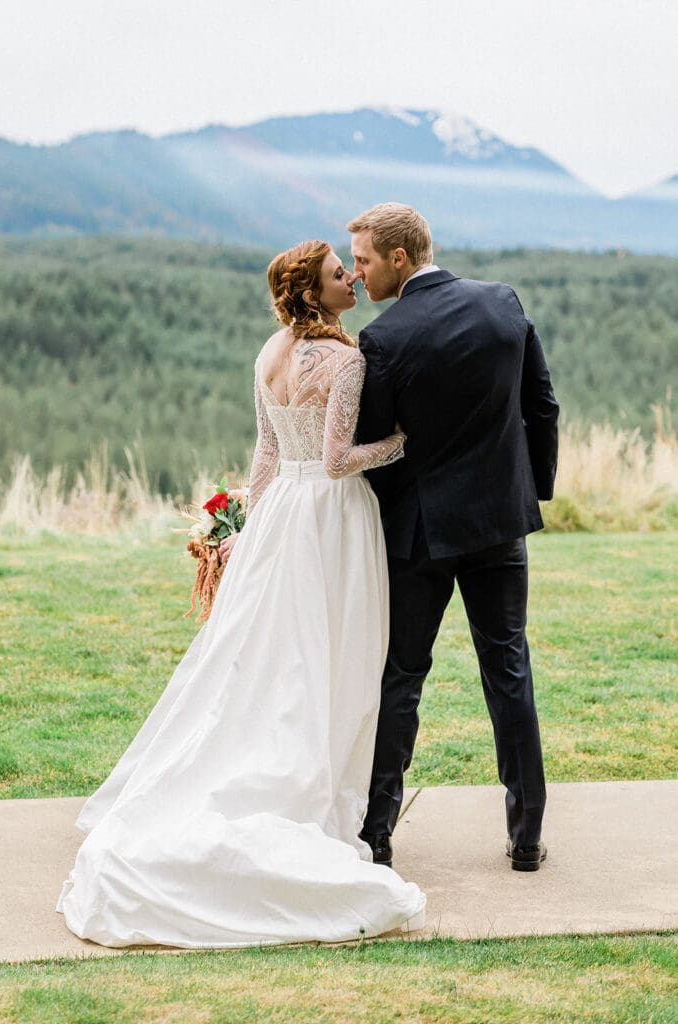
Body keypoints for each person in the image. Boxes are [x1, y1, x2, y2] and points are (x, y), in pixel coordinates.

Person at [56, 240, 426, 948]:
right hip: (331, 516)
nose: (351, 278)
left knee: (266, 646)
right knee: (334, 649)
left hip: (281, 512)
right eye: (336, 274)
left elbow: (264, 455)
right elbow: (338, 460)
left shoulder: (268, 352)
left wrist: (248, 533)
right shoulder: (345, 361)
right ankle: (312, 780)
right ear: (314, 294)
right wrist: (402, 442)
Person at [348, 203, 559, 873]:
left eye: (363, 260)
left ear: (399, 258)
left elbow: (372, 449)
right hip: (498, 523)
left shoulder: (383, 339)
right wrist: (531, 490)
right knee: (508, 670)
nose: (357, 273)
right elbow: (541, 406)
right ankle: (526, 837)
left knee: (401, 678)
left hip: (419, 535)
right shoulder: (501, 304)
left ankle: (377, 835)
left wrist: (383, 519)